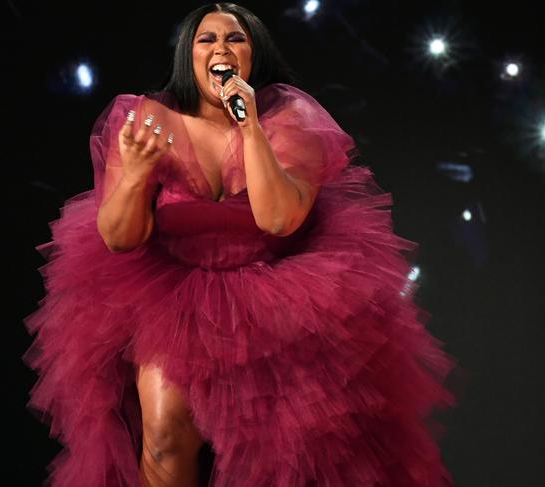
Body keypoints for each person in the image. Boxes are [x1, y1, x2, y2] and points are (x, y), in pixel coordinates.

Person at [24, 3, 459, 486]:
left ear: (255, 55)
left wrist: (250, 126)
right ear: (188, 56)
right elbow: (119, 237)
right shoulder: (148, 117)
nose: (221, 49)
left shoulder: (290, 118)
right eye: (206, 40)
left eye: (235, 39)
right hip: (173, 298)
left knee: (283, 458)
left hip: (279, 301)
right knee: (165, 439)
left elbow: (278, 219)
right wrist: (137, 176)